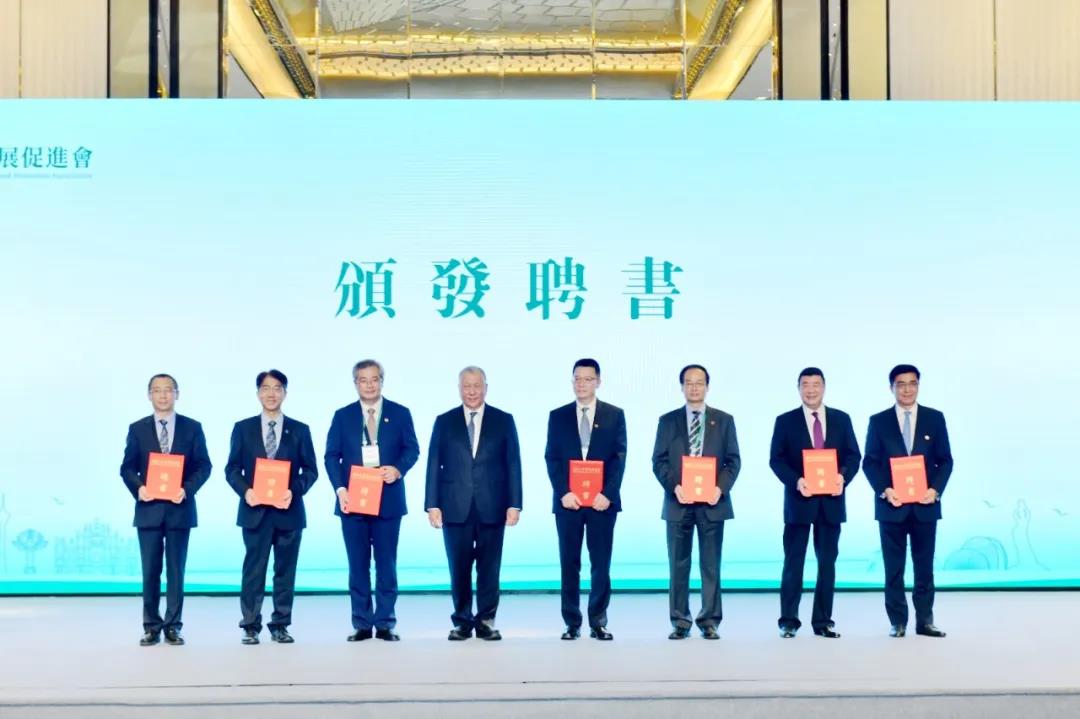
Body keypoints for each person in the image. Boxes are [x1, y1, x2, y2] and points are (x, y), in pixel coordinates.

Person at [425, 366, 522, 641]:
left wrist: (515, 504)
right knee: (459, 568)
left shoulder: (504, 420)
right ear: (459, 389)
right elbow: (434, 463)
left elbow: (513, 463)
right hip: (454, 505)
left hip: (493, 504)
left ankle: (487, 621)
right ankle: (462, 621)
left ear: (485, 388)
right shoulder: (444, 421)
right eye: (466, 386)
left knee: (490, 568)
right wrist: (432, 504)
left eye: (477, 385)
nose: (472, 391)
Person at [325, 359, 419, 642]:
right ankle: (362, 623)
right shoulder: (343, 416)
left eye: (374, 379)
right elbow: (331, 456)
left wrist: (398, 469)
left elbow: (412, 449)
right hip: (353, 500)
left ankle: (386, 622)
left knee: (386, 564)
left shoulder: (400, 413)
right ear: (355, 383)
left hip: (388, 499)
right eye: (363, 380)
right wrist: (340, 489)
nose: (369, 385)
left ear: (382, 381)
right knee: (358, 565)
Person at [225, 369, 318, 644]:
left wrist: (293, 491)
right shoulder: (243, 428)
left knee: (285, 572)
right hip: (255, 511)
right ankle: (250, 625)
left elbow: (310, 471)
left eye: (277, 388)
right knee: (253, 571)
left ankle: (280, 624)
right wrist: (247, 491)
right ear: (258, 393)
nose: (271, 393)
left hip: (289, 512)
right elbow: (232, 469)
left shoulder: (300, 430)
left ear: (285, 393)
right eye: (266, 388)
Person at [768, 367, 861, 639]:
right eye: (805, 384)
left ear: (824, 387)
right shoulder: (785, 421)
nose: (811, 390)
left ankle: (823, 621)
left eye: (816, 384)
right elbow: (776, 460)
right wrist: (796, 480)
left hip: (831, 503)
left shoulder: (841, 419)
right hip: (799, 502)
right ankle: (788, 621)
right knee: (793, 563)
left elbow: (853, 456)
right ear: (798, 388)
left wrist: (843, 477)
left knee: (827, 564)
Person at [120, 373, 212, 646]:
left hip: (179, 509)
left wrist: (187, 489)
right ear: (149, 395)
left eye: (168, 390)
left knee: (176, 571)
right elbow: (127, 467)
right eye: (157, 390)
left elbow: (204, 465)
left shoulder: (192, 427)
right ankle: (151, 626)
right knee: (150, 571)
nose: (163, 395)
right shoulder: (137, 428)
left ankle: (173, 626)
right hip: (148, 509)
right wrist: (139, 488)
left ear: (177, 394)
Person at [863, 364, 953, 638]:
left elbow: (945, 461)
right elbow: (870, 462)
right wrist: (884, 490)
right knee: (894, 568)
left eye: (912, 383)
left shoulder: (934, 418)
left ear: (918, 386)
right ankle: (898, 621)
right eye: (900, 384)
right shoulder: (879, 421)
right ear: (891, 387)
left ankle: (925, 621)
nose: (907, 389)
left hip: (925, 505)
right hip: (892, 506)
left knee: (924, 567)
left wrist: (935, 490)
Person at [651, 364, 740, 640]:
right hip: (678, 502)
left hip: (712, 503)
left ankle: (709, 621)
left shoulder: (724, 420)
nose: (694, 387)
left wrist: (720, 489)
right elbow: (659, 461)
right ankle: (680, 621)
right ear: (681, 387)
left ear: (707, 387)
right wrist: (675, 487)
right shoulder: (668, 421)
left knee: (710, 565)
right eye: (688, 382)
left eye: (699, 382)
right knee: (678, 565)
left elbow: (733, 461)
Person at [544, 358, 627, 641]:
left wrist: (608, 494)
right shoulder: (558, 416)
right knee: (569, 563)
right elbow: (552, 458)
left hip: (602, 503)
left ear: (598, 382)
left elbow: (619, 458)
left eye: (588, 379)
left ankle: (598, 621)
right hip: (569, 502)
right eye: (577, 379)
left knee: (600, 564)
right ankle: (572, 622)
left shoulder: (614, 415)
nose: (582, 384)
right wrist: (563, 492)